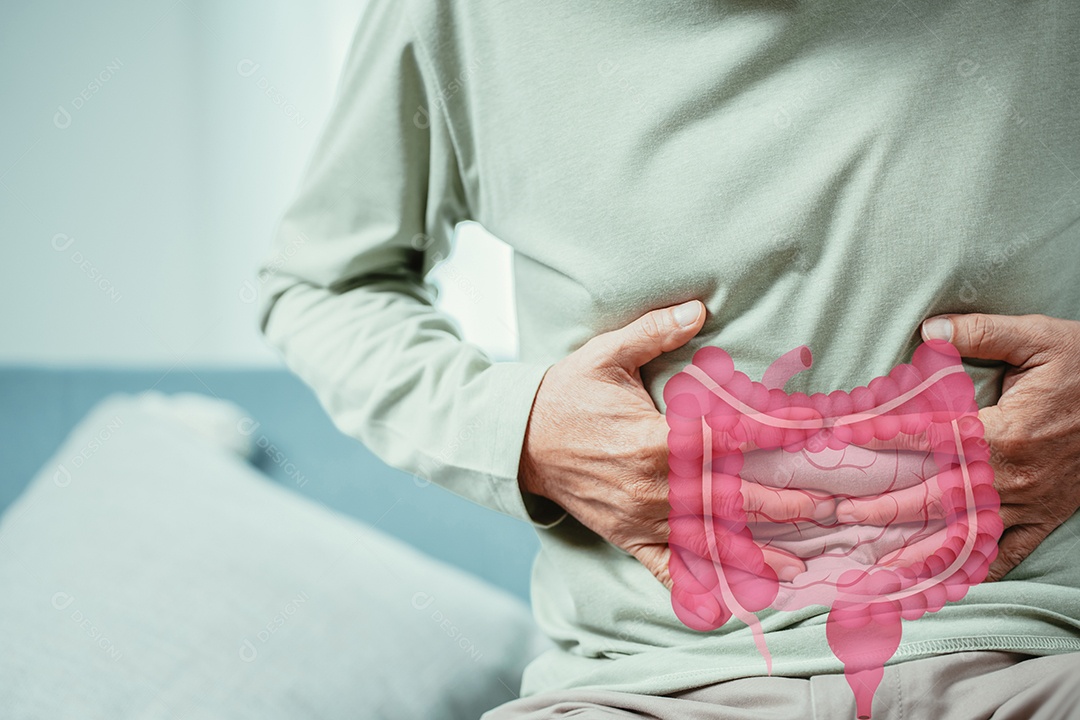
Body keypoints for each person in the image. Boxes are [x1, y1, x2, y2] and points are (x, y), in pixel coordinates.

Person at [256, 0, 1080, 717]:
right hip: (642, 687)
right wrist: (523, 429)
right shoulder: (464, 12)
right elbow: (321, 285)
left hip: (1043, 655)